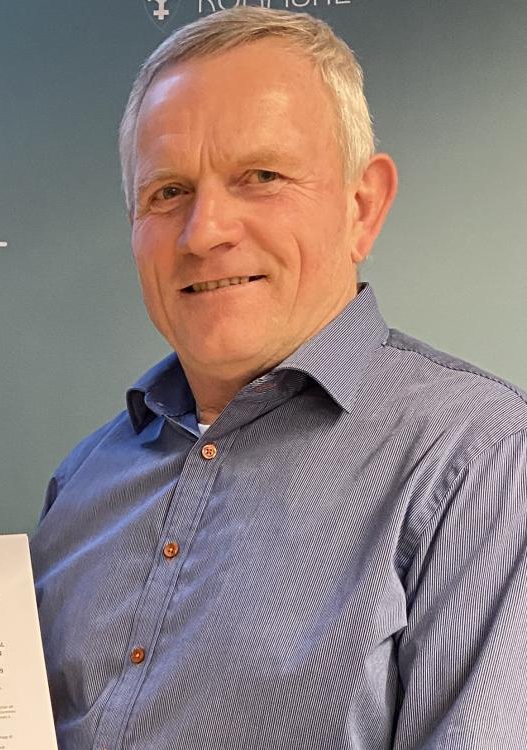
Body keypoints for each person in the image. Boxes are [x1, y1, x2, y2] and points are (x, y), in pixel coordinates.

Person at [31, 7, 527, 749]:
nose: (204, 232)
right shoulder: (83, 483)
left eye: (260, 177)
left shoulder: (480, 462)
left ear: (362, 208)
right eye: (168, 192)